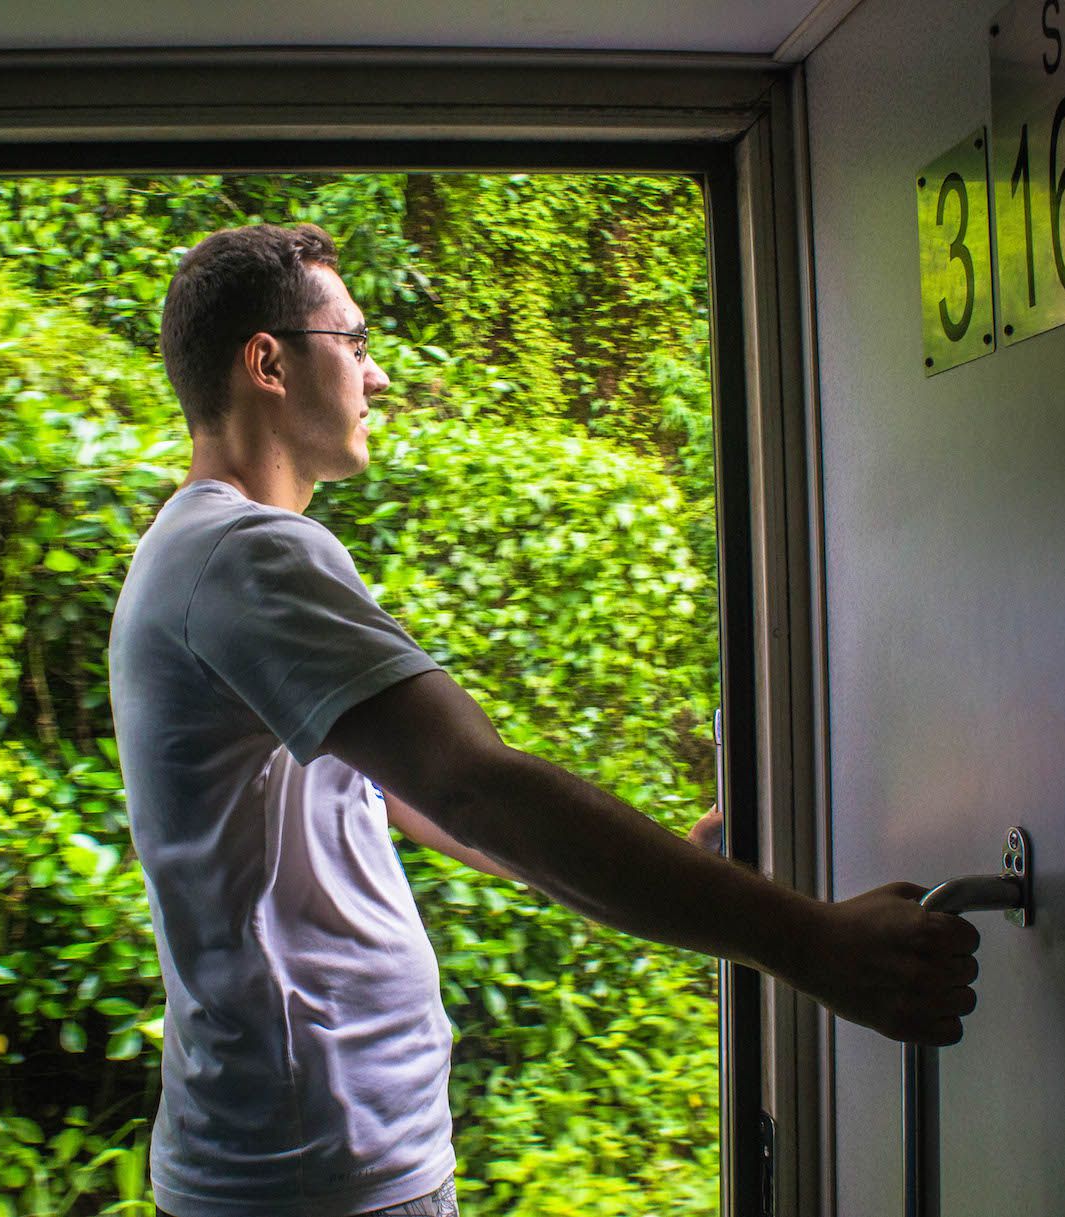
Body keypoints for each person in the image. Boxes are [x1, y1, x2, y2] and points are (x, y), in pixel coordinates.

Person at [108, 223, 979, 1217]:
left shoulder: (197, 552)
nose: (378, 376)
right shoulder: (247, 557)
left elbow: (392, 790)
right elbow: (478, 785)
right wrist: (815, 945)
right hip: (313, 1165)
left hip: (310, 1148)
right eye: (353, 343)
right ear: (268, 361)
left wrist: (656, 858)